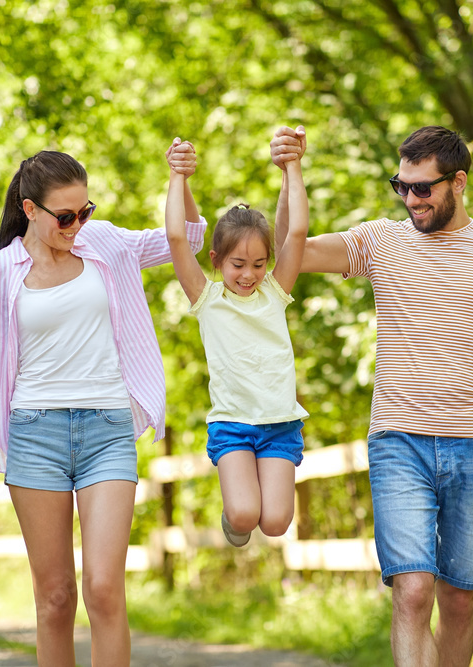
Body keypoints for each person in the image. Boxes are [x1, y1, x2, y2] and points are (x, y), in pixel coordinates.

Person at [270, 125, 473, 666]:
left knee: (459, 600)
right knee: (414, 591)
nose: (411, 199)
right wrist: (290, 175)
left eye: (423, 188)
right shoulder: (380, 240)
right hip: (399, 440)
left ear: (458, 182)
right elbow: (291, 253)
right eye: (401, 187)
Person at [0, 147, 206, 666]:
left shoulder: (102, 243)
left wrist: (180, 179)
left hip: (108, 430)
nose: (77, 224)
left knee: (104, 588)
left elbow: (186, 239)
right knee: (55, 598)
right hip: (34, 438)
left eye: (86, 211)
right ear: (30, 209)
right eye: (65, 216)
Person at [164, 128, 309, 548]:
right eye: (238, 265)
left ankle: (247, 512)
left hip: (279, 423)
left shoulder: (275, 292)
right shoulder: (207, 299)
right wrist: (178, 177)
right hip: (233, 425)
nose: (249, 275)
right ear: (217, 261)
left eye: (259, 263)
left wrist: (293, 166)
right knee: (246, 514)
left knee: (277, 523)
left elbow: (297, 232)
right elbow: (176, 238)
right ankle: (234, 513)